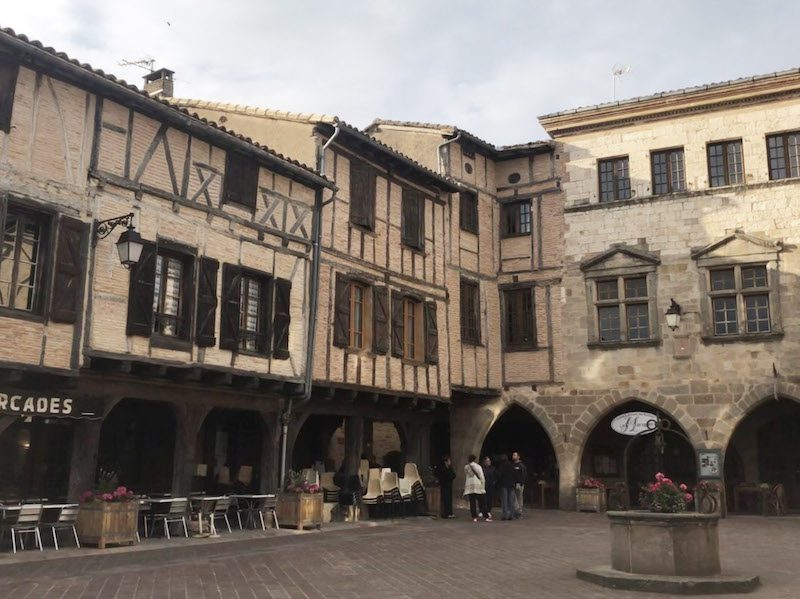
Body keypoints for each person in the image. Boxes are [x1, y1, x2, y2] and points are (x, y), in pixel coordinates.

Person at [463, 454, 486, 522]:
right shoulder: (478, 466)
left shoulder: (466, 467)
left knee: (472, 503)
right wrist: (483, 484)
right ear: (475, 459)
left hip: (470, 487)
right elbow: (481, 476)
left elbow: (465, 473)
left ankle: (474, 517)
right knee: (481, 502)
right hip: (477, 486)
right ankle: (485, 515)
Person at [497, 454, 516, 521]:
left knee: (504, 500)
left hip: (504, 485)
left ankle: (505, 515)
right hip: (511, 485)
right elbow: (515, 474)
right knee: (511, 500)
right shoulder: (512, 465)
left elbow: (499, 475)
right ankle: (511, 515)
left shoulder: (502, 466)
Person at [511, 451, 528, 519]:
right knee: (513, 497)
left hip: (519, 484)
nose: (513, 456)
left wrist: (521, 483)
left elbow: (524, 475)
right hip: (513, 484)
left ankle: (519, 512)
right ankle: (516, 511)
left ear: (518, 457)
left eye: (515, 455)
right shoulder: (512, 465)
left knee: (519, 498)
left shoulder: (521, 466)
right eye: (513, 455)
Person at [481, 456, 496, 521]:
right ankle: (483, 511)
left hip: (491, 486)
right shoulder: (482, 469)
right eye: (487, 461)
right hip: (484, 486)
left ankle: (488, 511)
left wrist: (494, 482)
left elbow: (495, 476)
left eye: (489, 461)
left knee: (489, 499)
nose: (489, 462)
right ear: (484, 462)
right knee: (483, 499)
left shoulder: (493, 468)